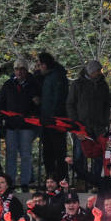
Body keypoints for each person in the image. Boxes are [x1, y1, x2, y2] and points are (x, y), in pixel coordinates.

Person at [0, 58, 40, 191]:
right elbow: (1, 104)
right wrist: (4, 120)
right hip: (11, 125)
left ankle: (25, 183)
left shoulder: (34, 84)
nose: (19, 72)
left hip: (27, 125)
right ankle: (9, 183)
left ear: (26, 71)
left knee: (26, 154)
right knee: (10, 155)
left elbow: (39, 105)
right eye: (16, 69)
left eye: (22, 69)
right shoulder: (8, 84)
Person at [66, 60, 110, 179]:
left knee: (99, 155)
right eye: (97, 71)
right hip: (81, 126)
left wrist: (105, 121)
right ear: (91, 71)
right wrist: (75, 124)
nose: (99, 73)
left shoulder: (103, 85)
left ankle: (96, 181)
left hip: (99, 126)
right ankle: (81, 180)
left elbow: (107, 104)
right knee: (80, 154)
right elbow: (70, 104)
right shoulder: (77, 84)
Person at [35, 52, 69, 182]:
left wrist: (53, 117)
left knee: (58, 153)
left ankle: (60, 180)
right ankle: (51, 180)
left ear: (45, 65)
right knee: (48, 152)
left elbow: (58, 99)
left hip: (55, 121)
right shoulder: (50, 76)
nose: (38, 67)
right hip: (48, 120)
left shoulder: (57, 77)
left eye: (39, 65)